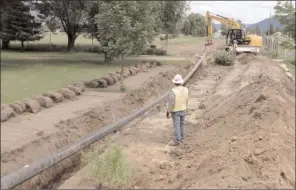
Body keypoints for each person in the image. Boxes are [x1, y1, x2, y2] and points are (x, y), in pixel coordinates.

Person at [166, 74, 189, 146]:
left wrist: (168, 112)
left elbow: (171, 103)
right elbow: (187, 99)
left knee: (176, 125)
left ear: (174, 83)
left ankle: (177, 140)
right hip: (183, 109)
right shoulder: (186, 89)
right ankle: (181, 138)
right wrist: (186, 107)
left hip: (176, 111)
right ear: (181, 82)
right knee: (181, 124)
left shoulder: (173, 91)